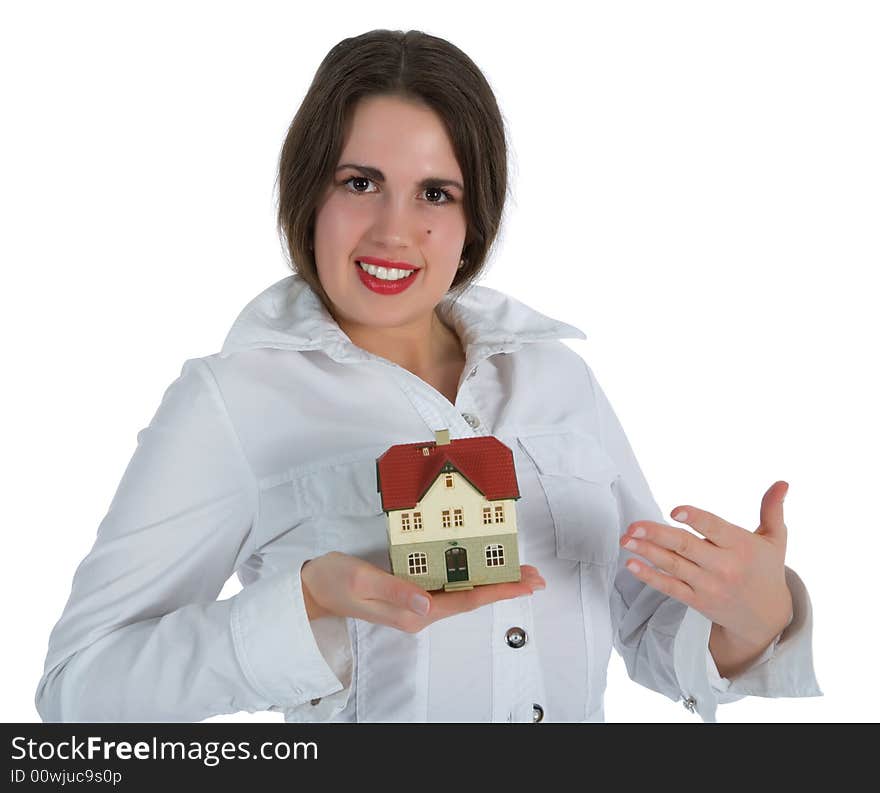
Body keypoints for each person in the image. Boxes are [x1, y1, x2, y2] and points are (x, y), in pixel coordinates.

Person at [35, 29, 822, 724]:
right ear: (308, 192)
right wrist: (302, 608)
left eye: (434, 193)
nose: (393, 231)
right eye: (359, 182)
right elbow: (78, 691)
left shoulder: (559, 381)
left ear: (474, 213)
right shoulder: (230, 403)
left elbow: (648, 627)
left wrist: (753, 618)